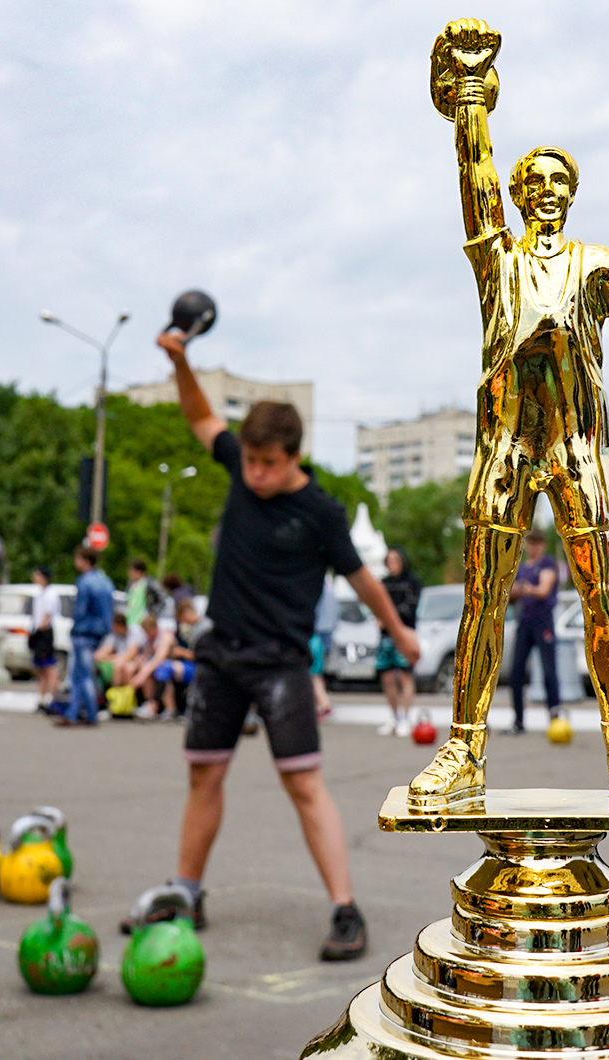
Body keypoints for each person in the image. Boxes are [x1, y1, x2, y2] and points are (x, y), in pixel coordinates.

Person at [409, 20, 609, 813]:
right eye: (533, 181)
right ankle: (463, 748)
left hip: (580, 447)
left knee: (603, 601)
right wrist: (470, 97)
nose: (545, 189)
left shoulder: (593, 263)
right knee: (483, 597)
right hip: (506, 447)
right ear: (519, 197)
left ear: (572, 193)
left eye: (559, 179)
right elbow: (474, 171)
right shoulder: (499, 261)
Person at [138, 328, 420, 961]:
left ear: (293, 456)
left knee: (303, 785)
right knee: (204, 776)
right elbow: (199, 415)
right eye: (250, 462)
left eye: (267, 464)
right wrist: (181, 361)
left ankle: (345, 910)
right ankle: (186, 892)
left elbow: (362, 579)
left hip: (282, 664)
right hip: (221, 654)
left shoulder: (320, 510)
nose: (255, 473)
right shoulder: (239, 463)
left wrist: (399, 631)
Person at [504, 532, 561, 735]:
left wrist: (527, 589)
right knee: (516, 671)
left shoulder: (547, 564)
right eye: (530, 544)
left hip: (542, 621)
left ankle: (554, 715)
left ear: (542, 545)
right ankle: (518, 720)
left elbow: (544, 590)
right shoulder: (522, 567)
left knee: (548, 670)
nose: (533, 547)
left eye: (536, 543)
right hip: (524, 621)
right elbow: (513, 595)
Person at [65, 545, 114, 727]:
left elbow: (80, 610)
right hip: (99, 633)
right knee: (82, 674)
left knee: (82, 675)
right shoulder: (106, 581)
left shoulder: (84, 582)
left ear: (85, 561)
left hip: (84, 632)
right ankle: (73, 712)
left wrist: (74, 628)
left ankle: (89, 713)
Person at [375, 548, 422, 737]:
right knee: (387, 677)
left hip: (405, 632)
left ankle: (406, 716)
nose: (392, 563)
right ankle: (394, 715)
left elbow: (411, 606)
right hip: (386, 636)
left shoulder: (412, 582)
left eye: (395, 559)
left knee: (405, 676)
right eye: (389, 560)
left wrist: (389, 618)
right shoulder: (383, 583)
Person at [29, 566, 64, 711]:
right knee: (40, 667)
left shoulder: (50, 594)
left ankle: (51, 695)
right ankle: (42, 696)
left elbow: (47, 615)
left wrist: (38, 631)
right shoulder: (40, 593)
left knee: (49, 666)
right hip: (38, 631)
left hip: (44, 633)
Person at [309, 576, 337, 718]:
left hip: (315, 634)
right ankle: (319, 706)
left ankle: (324, 705)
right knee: (317, 673)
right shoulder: (330, 589)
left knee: (313, 674)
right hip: (324, 636)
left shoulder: (318, 588)